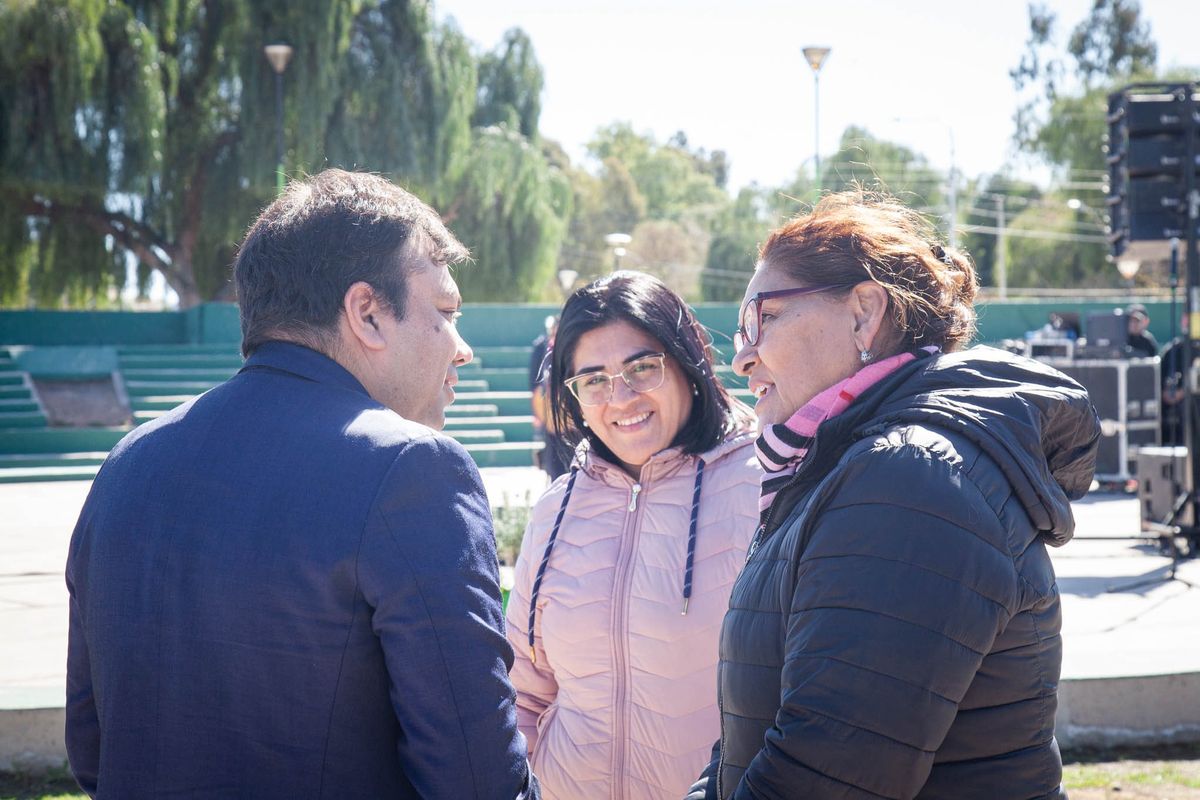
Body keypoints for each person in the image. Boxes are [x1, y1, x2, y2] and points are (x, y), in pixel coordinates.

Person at [65, 170, 537, 799]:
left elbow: (92, 749)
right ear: (367, 313)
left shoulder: (128, 463)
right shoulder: (413, 470)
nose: (462, 348)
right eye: (446, 313)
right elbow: (477, 782)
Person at [690, 191, 1100, 799]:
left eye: (764, 318)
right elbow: (749, 737)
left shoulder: (908, 480)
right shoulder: (842, 469)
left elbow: (827, 772)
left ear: (864, 313)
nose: (743, 357)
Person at [505, 272, 761, 799]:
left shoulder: (765, 486)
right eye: (593, 379)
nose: (619, 397)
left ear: (688, 364)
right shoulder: (555, 510)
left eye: (643, 367)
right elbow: (523, 693)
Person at [529, 315, 569, 479]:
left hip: (569, 412)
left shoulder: (570, 348)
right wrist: (537, 412)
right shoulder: (543, 347)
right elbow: (535, 382)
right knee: (553, 459)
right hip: (550, 409)